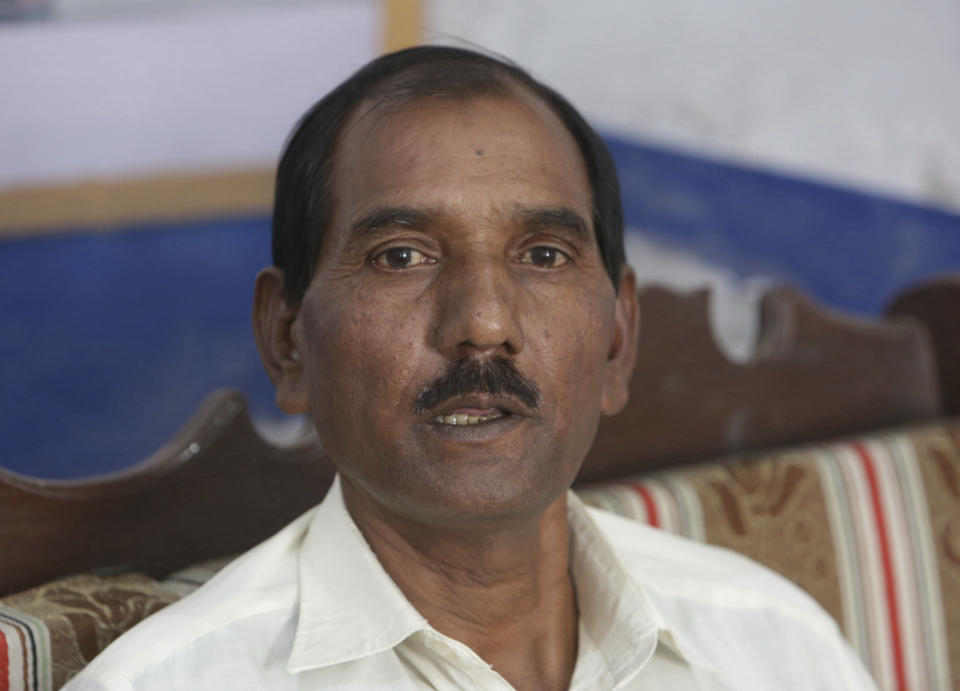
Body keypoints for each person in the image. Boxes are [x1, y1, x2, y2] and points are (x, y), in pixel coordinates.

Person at [66, 46, 878, 690]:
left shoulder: (772, 641)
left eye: (544, 254)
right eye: (402, 255)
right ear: (287, 341)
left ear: (618, 340)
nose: (484, 322)